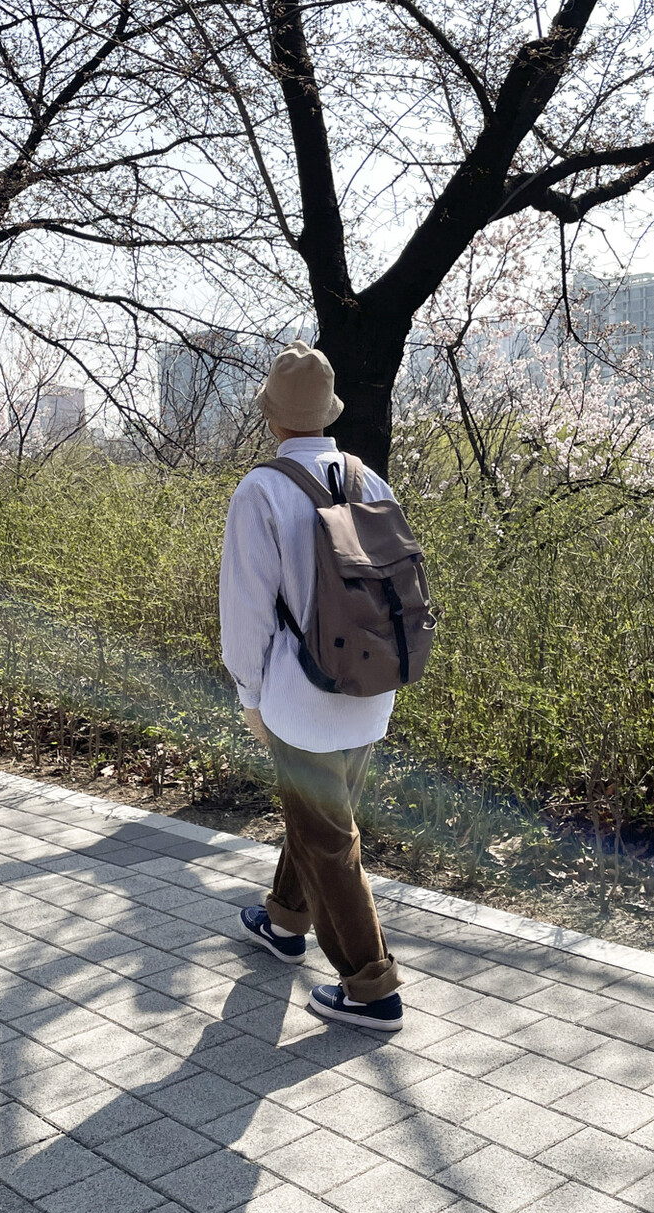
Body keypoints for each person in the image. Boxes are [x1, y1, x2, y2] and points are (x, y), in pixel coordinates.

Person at [219, 339, 403, 1031]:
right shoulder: (371, 481)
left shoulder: (262, 490)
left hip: (301, 697)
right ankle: (283, 921)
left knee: (329, 838)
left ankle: (371, 988)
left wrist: (249, 695)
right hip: (372, 684)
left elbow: (245, 609)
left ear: (271, 417)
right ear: (329, 413)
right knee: (319, 816)